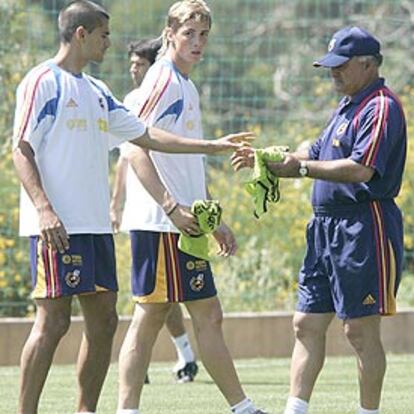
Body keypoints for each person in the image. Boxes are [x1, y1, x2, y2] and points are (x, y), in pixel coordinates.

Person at [11, 1, 252, 414]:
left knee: (105, 321)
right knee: (53, 323)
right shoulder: (42, 82)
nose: (111, 42)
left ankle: (88, 410)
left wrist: (211, 146)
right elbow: (21, 149)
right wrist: (44, 209)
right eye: (104, 34)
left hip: (94, 228)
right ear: (82, 34)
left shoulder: (98, 91)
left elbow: (147, 137)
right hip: (55, 225)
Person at [232, 26, 406, 414]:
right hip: (324, 229)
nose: (333, 73)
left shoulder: (381, 106)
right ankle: (295, 410)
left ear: (367, 64)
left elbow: (361, 169)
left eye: (340, 66)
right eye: (330, 66)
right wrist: (267, 159)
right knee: (305, 324)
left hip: (364, 227)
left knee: (359, 331)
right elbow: (311, 151)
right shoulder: (346, 105)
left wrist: (304, 168)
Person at [116, 1, 267, 414]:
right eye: (189, 34)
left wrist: (212, 218)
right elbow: (133, 145)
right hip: (162, 226)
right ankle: (127, 410)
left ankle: (243, 407)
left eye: (203, 36)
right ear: (170, 35)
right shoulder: (163, 80)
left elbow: (186, 164)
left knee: (204, 314)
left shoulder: (185, 83)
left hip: (186, 227)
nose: (198, 43)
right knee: (150, 317)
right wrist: (170, 207)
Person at [111, 37, 198, 383]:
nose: (134, 69)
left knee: (171, 302)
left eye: (139, 64)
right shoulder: (134, 100)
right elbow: (127, 155)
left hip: (170, 215)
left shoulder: (170, 88)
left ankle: (186, 358)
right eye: (131, 63)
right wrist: (116, 203)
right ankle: (136, 385)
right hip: (155, 215)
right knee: (154, 303)